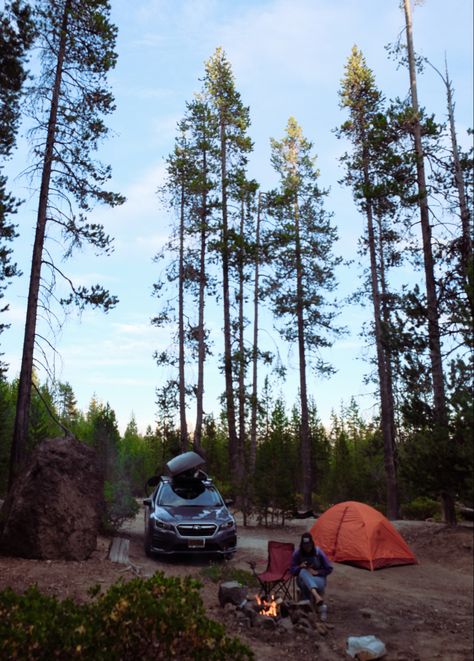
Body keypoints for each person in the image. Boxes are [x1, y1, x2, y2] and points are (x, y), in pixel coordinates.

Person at [290, 532, 333, 621]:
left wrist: (317, 572)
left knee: (305, 579)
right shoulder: (297, 554)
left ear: (312, 544)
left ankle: (308, 604)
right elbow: (292, 570)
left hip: (318, 580)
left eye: (309, 546)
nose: (307, 548)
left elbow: (329, 568)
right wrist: (299, 567)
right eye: (305, 546)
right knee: (303, 572)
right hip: (302, 580)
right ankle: (319, 603)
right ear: (302, 545)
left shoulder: (318, 552)